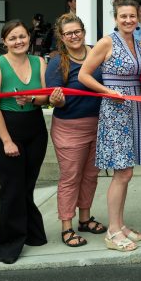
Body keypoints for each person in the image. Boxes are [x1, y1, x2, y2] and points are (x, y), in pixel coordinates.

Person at [0, 20, 59, 264]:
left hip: (35, 129)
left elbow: (46, 97)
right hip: (6, 131)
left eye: (22, 36)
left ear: (29, 37)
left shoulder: (39, 62)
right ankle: (8, 243)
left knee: (27, 185)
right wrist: (7, 141)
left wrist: (32, 98)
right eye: (13, 38)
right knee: (12, 188)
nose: (19, 41)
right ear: (4, 41)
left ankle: (31, 232)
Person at [79, 0, 141, 252]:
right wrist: (108, 92)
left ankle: (120, 225)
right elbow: (84, 75)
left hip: (135, 108)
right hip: (116, 111)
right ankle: (113, 232)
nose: (128, 20)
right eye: (123, 16)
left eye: (132, 16)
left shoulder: (140, 43)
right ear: (116, 18)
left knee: (126, 173)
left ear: (138, 18)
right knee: (122, 173)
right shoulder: (106, 42)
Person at [45, 13, 107, 248]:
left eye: (77, 31)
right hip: (69, 127)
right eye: (68, 33)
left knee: (91, 175)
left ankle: (85, 219)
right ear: (61, 37)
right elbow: (54, 100)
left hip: (98, 124)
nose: (74, 36)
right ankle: (66, 226)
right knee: (71, 177)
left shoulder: (96, 53)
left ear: (83, 31)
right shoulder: (57, 62)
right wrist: (57, 100)